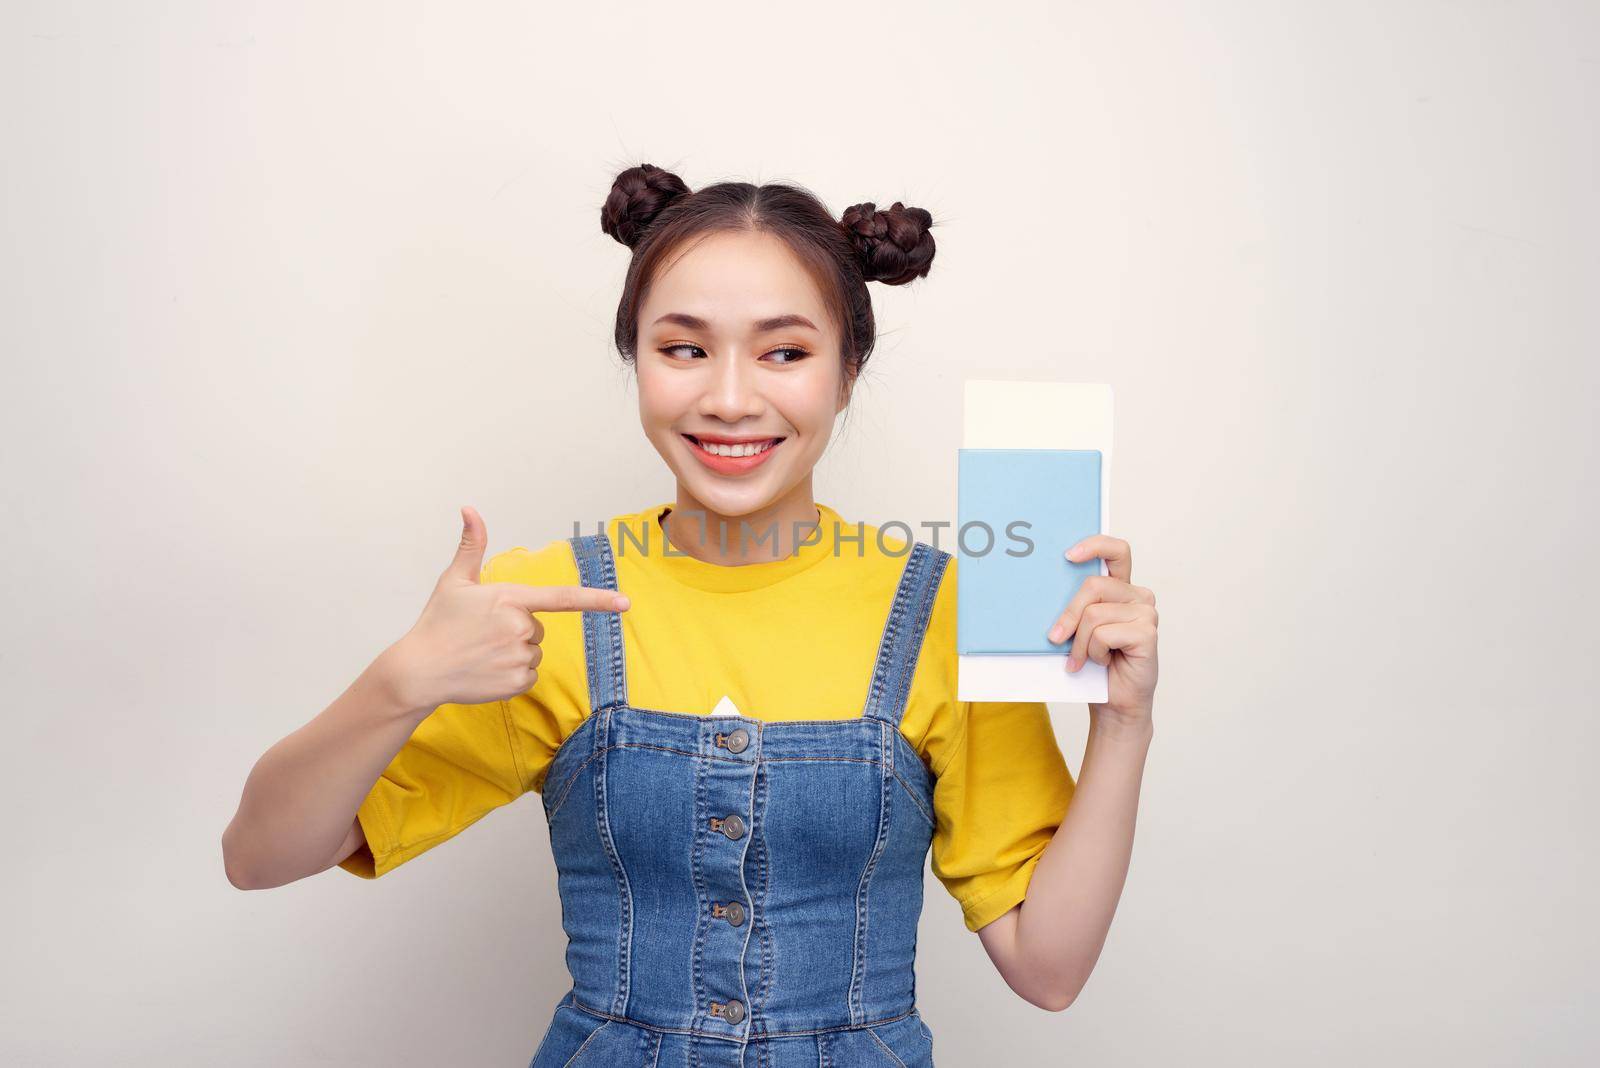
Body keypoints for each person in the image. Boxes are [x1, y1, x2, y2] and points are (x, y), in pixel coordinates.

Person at [221, 163, 1161, 1067]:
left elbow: (1049, 969)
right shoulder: (547, 601)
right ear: (637, 359)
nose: (730, 398)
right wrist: (401, 680)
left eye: (785, 352)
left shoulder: (946, 609)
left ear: (849, 368)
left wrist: (1121, 726)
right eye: (685, 348)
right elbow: (259, 856)